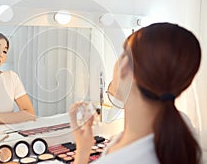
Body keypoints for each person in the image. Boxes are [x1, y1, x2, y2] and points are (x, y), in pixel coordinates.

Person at [69, 23, 202, 164]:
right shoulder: (183, 127)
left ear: (125, 66)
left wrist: (81, 155)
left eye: (122, 54)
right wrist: (84, 147)